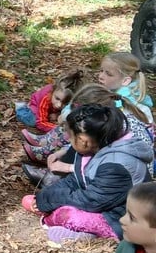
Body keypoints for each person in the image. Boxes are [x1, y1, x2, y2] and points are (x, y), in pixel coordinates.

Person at [22, 104, 152, 244]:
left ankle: (91, 233)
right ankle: (75, 229)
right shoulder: (95, 148)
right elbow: (75, 180)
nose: (69, 141)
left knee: (66, 215)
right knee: (54, 203)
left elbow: (91, 201)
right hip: (103, 204)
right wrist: (46, 196)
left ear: (83, 140)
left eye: (71, 137)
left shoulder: (116, 165)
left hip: (120, 218)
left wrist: (48, 201)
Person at [23, 51, 154, 162]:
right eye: (101, 71)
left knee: (80, 129)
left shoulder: (131, 105)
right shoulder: (109, 94)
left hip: (117, 153)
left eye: (108, 74)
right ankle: (45, 143)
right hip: (110, 148)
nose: (101, 76)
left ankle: (50, 157)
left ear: (125, 80)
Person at [22, 84, 154, 187]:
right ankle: (54, 177)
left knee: (81, 142)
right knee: (79, 141)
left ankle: (56, 180)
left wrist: (68, 168)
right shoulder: (108, 120)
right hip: (112, 175)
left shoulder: (113, 130)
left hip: (124, 185)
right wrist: (61, 153)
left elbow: (107, 167)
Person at [14, 68, 84, 132]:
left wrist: (58, 114)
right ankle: (21, 109)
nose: (59, 105)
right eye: (57, 98)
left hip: (52, 110)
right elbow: (40, 123)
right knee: (32, 121)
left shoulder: (73, 100)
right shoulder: (45, 98)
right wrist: (58, 129)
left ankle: (51, 114)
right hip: (37, 107)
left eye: (65, 103)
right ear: (53, 90)